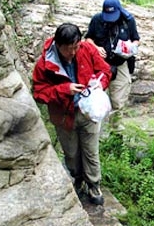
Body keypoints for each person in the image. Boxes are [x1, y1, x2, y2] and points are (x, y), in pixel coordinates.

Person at [32, 23, 112, 205]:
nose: (73, 52)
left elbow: (105, 70)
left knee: (91, 150)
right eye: (69, 49)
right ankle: (77, 178)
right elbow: (39, 93)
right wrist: (64, 89)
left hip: (88, 111)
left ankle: (93, 184)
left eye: (76, 47)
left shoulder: (86, 49)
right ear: (58, 45)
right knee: (72, 153)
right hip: (64, 115)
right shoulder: (45, 64)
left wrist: (100, 83)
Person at [85, 0, 140, 110]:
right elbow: (88, 39)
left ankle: (116, 125)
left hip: (120, 63)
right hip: (99, 65)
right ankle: (99, 124)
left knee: (118, 100)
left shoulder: (128, 21)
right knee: (97, 97)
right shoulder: (97, 20)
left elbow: (136, 39)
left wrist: (130, 48)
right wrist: (95, 48)